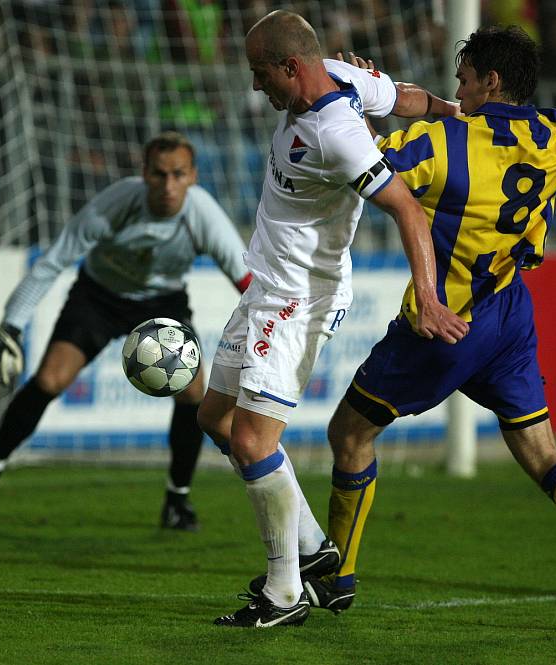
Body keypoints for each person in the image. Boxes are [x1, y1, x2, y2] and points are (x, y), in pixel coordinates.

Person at [305, 26, 556, 636]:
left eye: (465, 79)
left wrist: (356, 100)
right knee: (543, 453)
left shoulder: (442, 142)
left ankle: (336, 579)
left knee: (350, 432)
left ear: (491, 81)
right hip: (510, 316)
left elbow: (370, 172)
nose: (459, 90)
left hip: (444, 323)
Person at [196, 10, 469, 628]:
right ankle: (315, 548)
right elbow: (404, 97)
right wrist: (452, 112)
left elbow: (406, 209)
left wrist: (427, 295)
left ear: (291, 66)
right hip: (267, 281)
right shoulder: (345, 76)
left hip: (298, 294)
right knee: (214, 417)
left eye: (260, 74)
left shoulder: (337, 133)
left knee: (251, 439)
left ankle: (284, 591)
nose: (255, 86)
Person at [0, 131, 252, 531]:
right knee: (49, 379)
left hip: (163, 303)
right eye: (159, 174)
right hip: (99, 297)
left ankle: (177, 500)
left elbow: (248, 283)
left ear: (193, 176)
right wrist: (11, 325)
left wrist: (271, 332)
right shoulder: (114, 205)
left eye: (178, 175)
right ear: (143, 174)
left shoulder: (203, 214)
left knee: (193, 392)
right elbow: (52, 261)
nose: (168, 185)